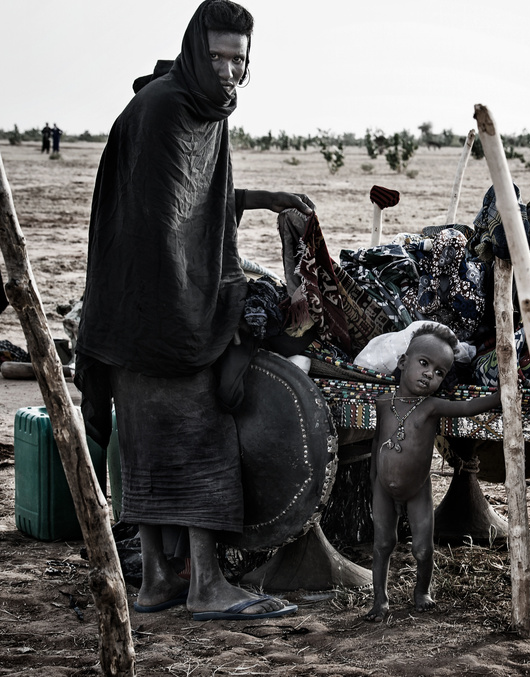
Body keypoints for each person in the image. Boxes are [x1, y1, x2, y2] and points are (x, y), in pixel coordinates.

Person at [76, 0, 314, 621]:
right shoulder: (168, 109)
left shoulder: (198, 106)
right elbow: (164, 222)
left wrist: (258, 198)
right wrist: (211, 308)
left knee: (148, 448)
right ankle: (206, 584)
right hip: (159, 308)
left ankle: (158, 581)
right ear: (194, 51)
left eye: (240, 60)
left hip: (137, 311)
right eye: (219, 56)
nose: (231, 71)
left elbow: (193, 198)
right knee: (199, 438)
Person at [364, 324, 502, 622]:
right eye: (424, 364)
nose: (430, 374)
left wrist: (499, 397)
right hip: (383, 490)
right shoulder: (384, 404)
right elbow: (377, 442)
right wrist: (374, 478)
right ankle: (379, 600)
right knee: (383, 543)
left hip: (417, 490)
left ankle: (422, 591)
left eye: (439, 372)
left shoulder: (431, 407)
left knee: (422, 547)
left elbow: (466, 407)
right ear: (403, 363)